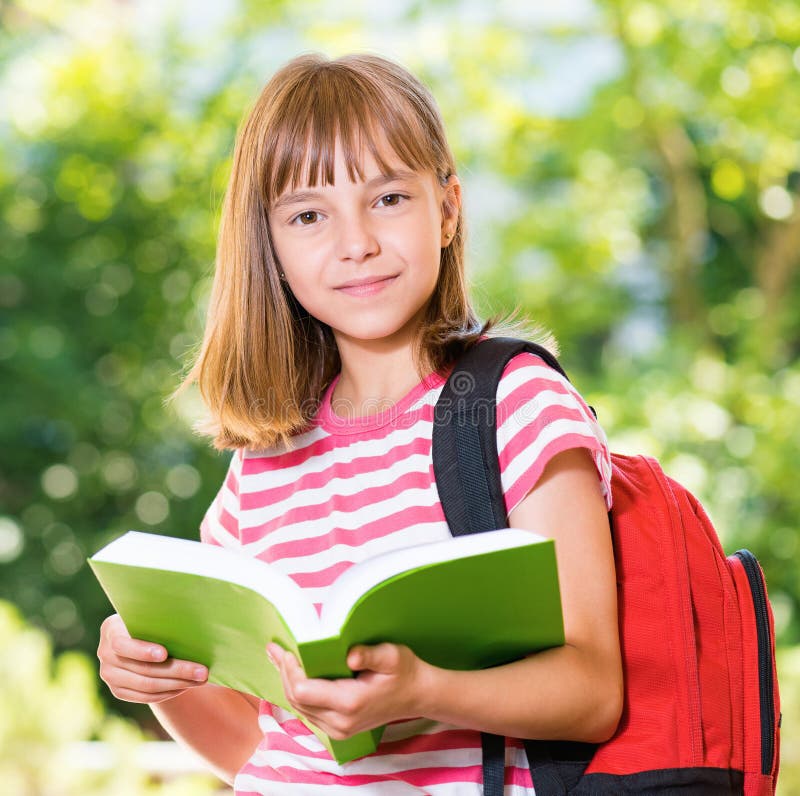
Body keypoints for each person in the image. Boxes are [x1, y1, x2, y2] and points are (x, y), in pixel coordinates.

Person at [97, 52, 623, 794]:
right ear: (270, 245)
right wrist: (160, 676)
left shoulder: (516, 405)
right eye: (309, 216)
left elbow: (594, 693)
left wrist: (423, 689)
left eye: (387, 200)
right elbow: (254, 746)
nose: (356, 244)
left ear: (446, 208)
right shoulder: (262, 461)